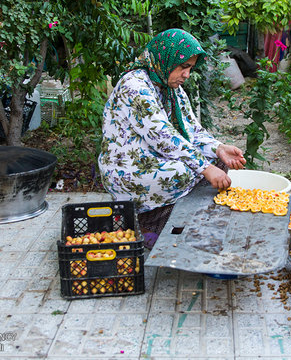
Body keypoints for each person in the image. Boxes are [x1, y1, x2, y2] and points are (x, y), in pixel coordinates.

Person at [98, 28, 246, 247]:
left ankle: (180, 215)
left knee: (217, 161)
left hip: (156, 155)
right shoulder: (135, 86)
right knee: (184, 171)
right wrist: (204, 168)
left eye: (190, 68)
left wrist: (218, 148)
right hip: (129, 168)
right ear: (166, 58)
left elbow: (192, 130)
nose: (186, 74)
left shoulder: (170, 86)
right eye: (183, 67)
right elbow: (163, 137)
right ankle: (147, 221)